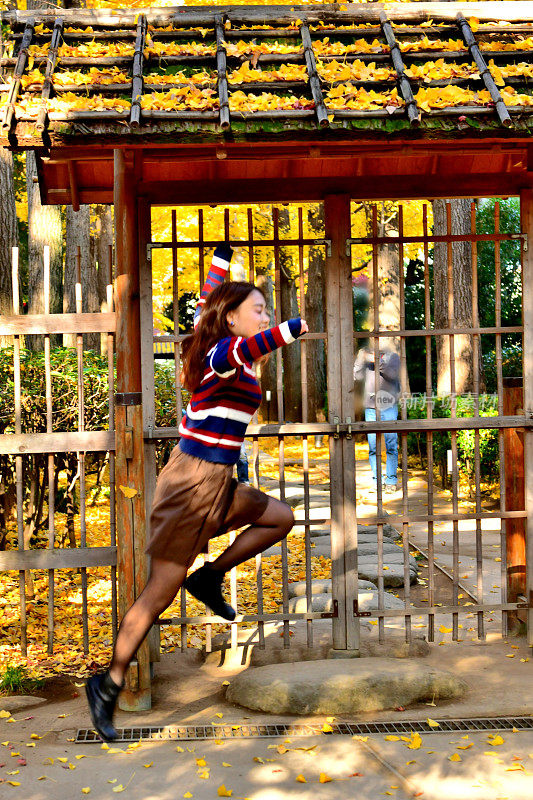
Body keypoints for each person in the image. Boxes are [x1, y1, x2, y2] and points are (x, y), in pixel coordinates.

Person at [85, 243, 308, 742]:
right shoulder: (222, 355)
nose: (265, 314)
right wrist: (291, 329)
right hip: (190, 486)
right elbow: (243, 344)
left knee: (280, 517)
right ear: (233, 319)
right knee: (159, 591)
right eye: (258, 309)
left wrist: (219, 264)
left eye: (268, 310)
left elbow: (209, 302)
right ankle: (109, 682)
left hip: (219, 482)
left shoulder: (221, 348)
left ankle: (209, 579)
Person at [353, 344, 400, 493]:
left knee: (391, 444)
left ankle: (391, 480)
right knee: (373, 446)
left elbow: (392, 375)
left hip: (389, 405)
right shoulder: (365, 354)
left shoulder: (392, 356)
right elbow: (357, 375)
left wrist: (376, 361)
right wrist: (361, 358)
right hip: (371, 407)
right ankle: (377, 480)